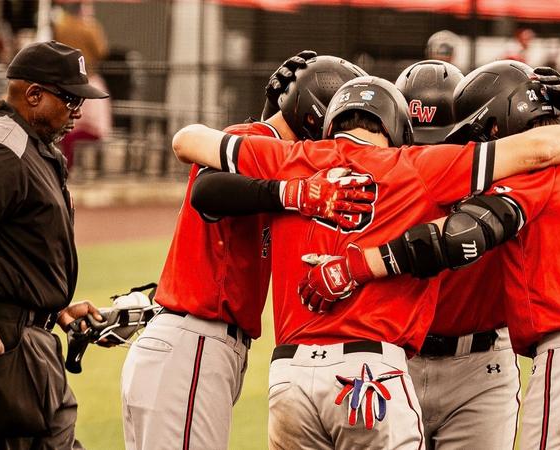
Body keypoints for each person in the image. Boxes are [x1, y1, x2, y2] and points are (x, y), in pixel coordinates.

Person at [173, 70, 560, 448]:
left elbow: (188, 141)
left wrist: (290, 191)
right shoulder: (417, 166)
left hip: (290, 377)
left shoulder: (294, 158)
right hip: (375, 372)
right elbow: (550, 153)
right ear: (397, 125)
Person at [299, 60, 560, 450]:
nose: (437, 147)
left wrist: (356, 265)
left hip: (511, 364)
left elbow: (457, 237)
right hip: (404, 359)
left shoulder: (527, 172)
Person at [119, 53, 372, 450]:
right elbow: (208, 190)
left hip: (197, 346)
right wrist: (293, 194)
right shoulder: (256, 140)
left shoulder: (272, 151)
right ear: (313, 118)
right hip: (197, 341)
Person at [394, 59, 522, 449]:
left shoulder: (506, 172)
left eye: (443, 139)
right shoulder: (382, 174)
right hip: (396, 360)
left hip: (481, 367)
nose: (430, 152)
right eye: (418, 141)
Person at [0, 40, 108, 449]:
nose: (77, 111)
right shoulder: (5, 151)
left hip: (38, 346)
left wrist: (56, 307)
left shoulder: (35, 147)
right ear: (33, 95)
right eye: (70, 99)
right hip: (12, 354)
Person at [53, 1, 111, 170]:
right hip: (88, 78)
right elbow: (102, 51)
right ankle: (90, 168)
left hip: (64, 80)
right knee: (97, 128)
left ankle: (66, 164)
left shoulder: (60, 26)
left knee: (67, 126)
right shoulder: (89, 27)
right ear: (82, 9)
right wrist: (91, 25)